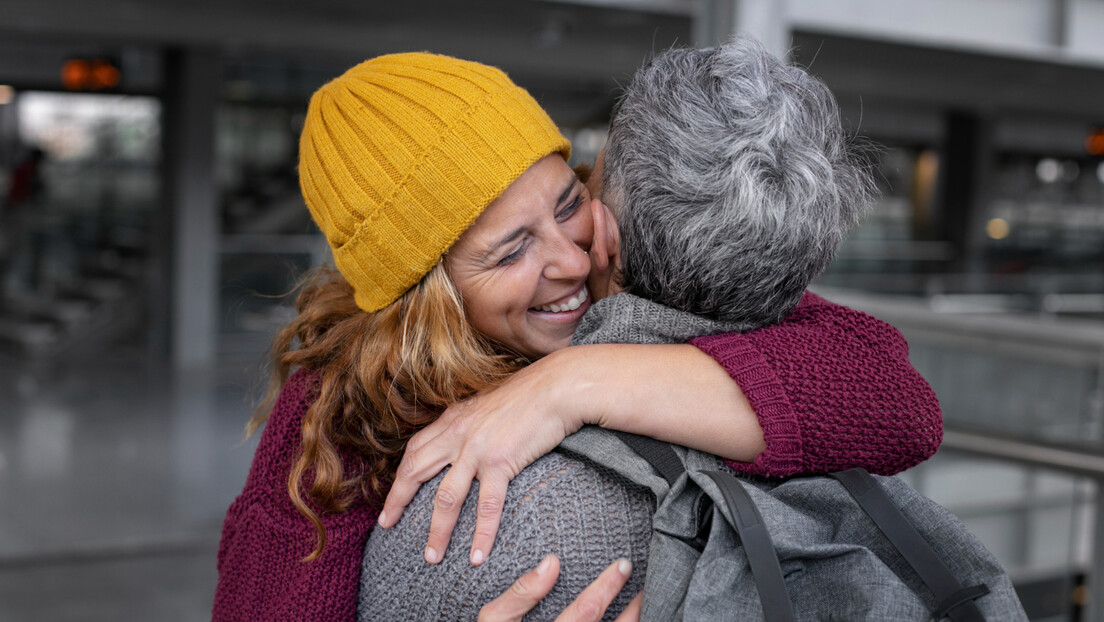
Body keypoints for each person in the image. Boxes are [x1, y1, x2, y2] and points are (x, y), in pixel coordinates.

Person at [214, 49, 941, 621]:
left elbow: (896, 403)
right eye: (510, 250)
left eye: (568, 203)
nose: (570, 259)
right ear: (423, 299)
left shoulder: (620, 278)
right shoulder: (328, 446)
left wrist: (569, 385)